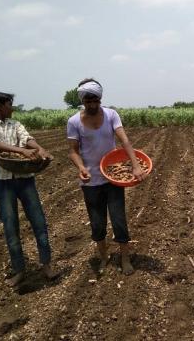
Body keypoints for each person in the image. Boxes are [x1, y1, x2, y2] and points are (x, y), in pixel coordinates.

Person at [0, 92, 58, 286]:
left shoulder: (15, 124)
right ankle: (19, 270)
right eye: (9, 104)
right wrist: (22, 151)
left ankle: (46, 265)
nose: (12, 108)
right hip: (2, 182)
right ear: (0, 106)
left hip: (25, 179)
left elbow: (27, 138)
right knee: (11, 226)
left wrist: (39, 149)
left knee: (39, 222)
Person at [67, 78, 147, 275]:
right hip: (91, 181)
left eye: (96, 101)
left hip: (112, 178)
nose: (93, 105)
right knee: (97, 221)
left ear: (100, 99)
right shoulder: (74, 121)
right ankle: (103, 257)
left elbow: (125, 140)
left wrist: (136, 165)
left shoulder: (111, 115)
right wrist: (80, 167)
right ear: (83, 101)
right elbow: (73, 151)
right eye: (88, 101)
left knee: (119, 219)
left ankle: (125, 257)